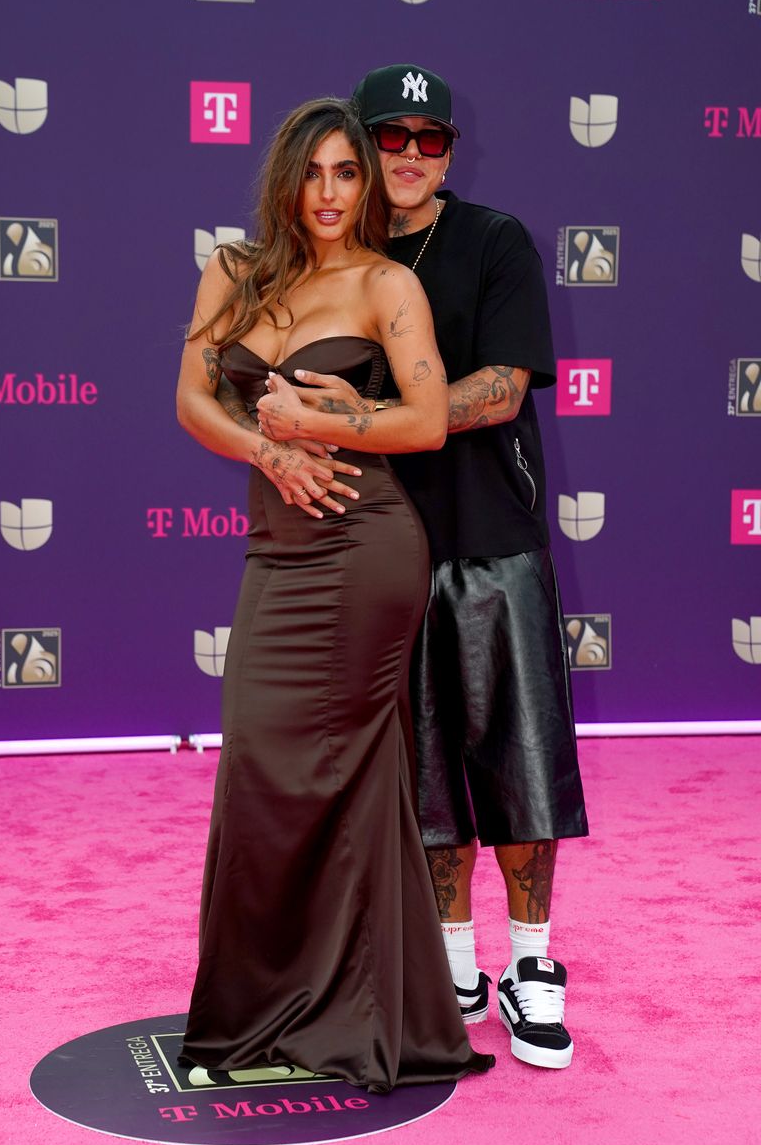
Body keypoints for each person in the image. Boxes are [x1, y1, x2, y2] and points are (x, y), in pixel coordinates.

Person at [175, 96, 492, 1093]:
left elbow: (430, 420)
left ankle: (353, 1014)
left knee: (352, 779)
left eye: (345, 174)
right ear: (284, 179)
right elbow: (192, 397)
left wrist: (332, 425)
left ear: (365, 186)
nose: (327, 193)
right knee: (261, 765)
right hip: (279, 552)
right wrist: (269, 450)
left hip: (365, 549)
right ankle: (262, 1006)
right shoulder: (232, 271)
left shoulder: (387, 284)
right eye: (312, 173)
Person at [287, 66, 590, 1070]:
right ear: (359, 147)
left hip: (490, 540)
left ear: (449, 152)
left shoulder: (493, 241)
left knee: (518, 764)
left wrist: (371, 422)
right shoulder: (339, 256)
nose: (411, 157)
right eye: (391, 138)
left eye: (431, 140)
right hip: (379, 548)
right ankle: (455, 962)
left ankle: (532, 965)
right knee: (421, 778)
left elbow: (501, 389)